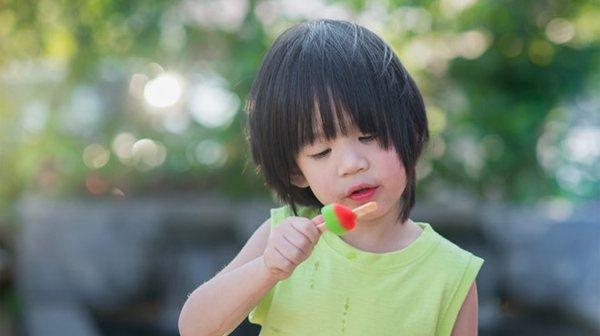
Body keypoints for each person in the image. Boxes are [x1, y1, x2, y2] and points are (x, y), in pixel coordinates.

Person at [179, 19, 484, 336]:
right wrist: (267, 268)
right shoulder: (281, 237)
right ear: (295, 171)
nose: (351, 164)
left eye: (369, 135)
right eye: (321, 152)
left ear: (412, 131)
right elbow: (194, 328)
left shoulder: (452, 272)